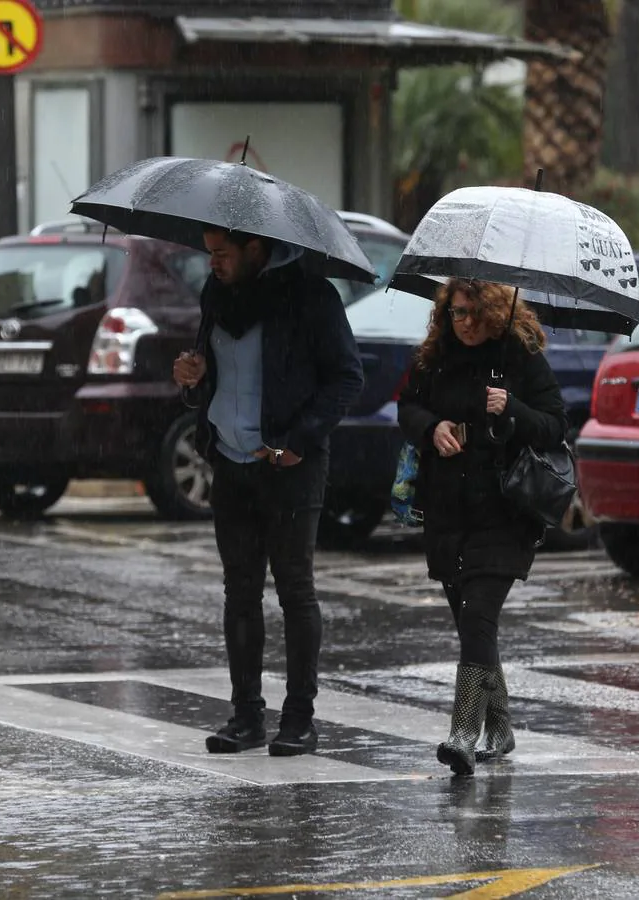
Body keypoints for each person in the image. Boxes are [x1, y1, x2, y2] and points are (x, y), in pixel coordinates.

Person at [173, 227, 363, 757]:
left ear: (256, 250)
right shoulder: (218, 295)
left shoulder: (309, 295)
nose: (212, 263)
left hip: (288, 466)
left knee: (294, 591)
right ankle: (246, 716)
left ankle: (299, 719)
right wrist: (192, 378)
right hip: (230, 463)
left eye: (222, 253)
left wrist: (298, 442)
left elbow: (347, 378)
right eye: (208, 252)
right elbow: (215, 377)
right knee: (240, 591)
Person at [397, 278, 567, 775]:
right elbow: (407, 407)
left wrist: (510, 408)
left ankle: (463, 734)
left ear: (494, 311)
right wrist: (432, 427)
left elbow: (556, 423)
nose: (464, 322)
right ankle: (502, 727)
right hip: (448, 508)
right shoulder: (434, 356)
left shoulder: (519, 355)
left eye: (473, 312)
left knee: (477, 618)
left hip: (504, 509)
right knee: (470, 622)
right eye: (456, 312)